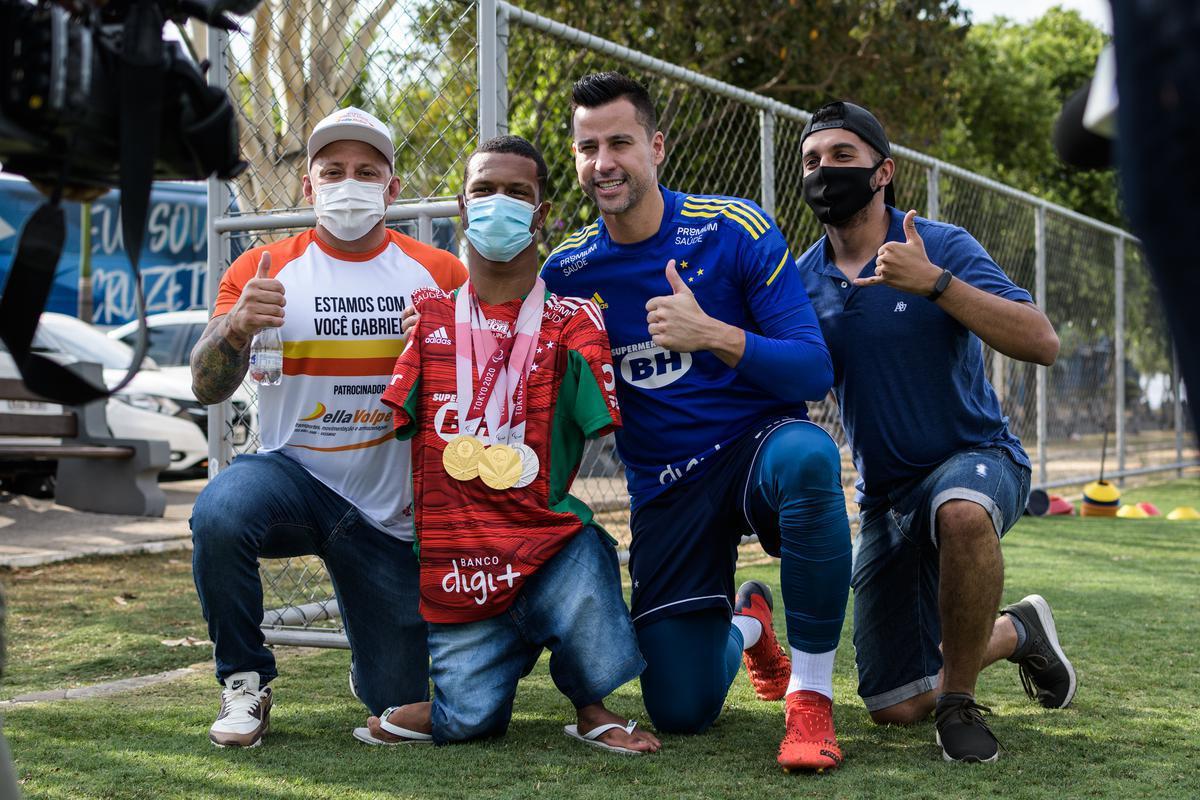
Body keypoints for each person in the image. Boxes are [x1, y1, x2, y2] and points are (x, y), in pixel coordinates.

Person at [543, 72, 852, 772]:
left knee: (809, 458)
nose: (604, 162)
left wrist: (713, 332)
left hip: (754, 453)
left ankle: (810, 700)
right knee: (680, 711)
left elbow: (813, 371)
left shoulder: (732, 228)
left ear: (655, 147)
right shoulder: (566, 274)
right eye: (587, 147)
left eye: (620, 141)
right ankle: (748, 625)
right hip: (665, 488)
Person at [795, 101, 1076, 763]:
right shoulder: (801, 281)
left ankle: (960, 706)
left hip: (976, 459)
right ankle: (1016, 632)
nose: (824, 171)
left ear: (883, 171)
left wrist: (936, 284)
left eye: (842, 157)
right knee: (895, 705)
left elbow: (1042, 342)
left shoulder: (941, 245)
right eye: (811, 161)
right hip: (887, 501)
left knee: (960, 511)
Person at [361, 135, 659, 755]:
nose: (500, 204)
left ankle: (590, 707)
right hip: (460, 557)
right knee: (467, 724)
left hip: (543, 542)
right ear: (462, 210)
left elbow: (601, 423)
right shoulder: (430, 320)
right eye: (484, 191)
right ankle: (471, 685)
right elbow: (396, 422)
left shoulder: (574, 322)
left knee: (584, 547)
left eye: (518, 193)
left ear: (543, 213)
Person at [188, 107, 466, 748]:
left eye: (367, 171)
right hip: (293, 481)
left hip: (390, 515)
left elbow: (470, 392)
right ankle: (245, 683)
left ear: (392, 189)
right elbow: (205, 385)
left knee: (399, 707)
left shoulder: (439, 275)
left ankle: (374, 658)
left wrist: (435, 353)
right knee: (220, 512)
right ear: (309, 186)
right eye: (332, 170)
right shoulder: (262, 269)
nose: (350, 182)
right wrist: (235, 327)